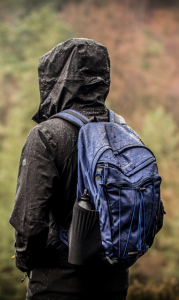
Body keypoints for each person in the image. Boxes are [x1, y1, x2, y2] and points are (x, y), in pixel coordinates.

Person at [9, 38, 129, 300]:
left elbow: (30, 225)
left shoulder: (46, 136)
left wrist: (24, 261)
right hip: (114, 282)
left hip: (57, 286)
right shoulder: (124, 131)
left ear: (56, 81)